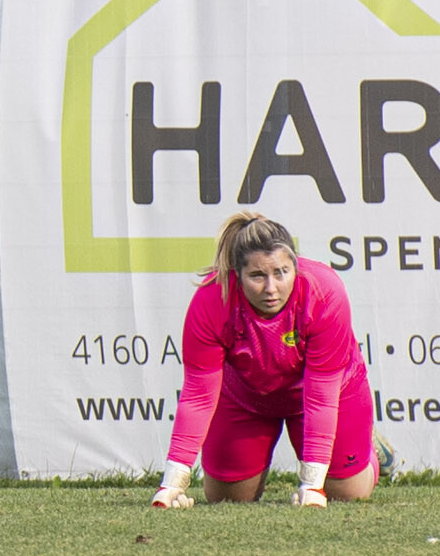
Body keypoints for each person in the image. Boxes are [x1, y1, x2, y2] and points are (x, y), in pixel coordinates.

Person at [152, 213, 379, 511]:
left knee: (348, 493)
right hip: (246, 397)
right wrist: (172, 484)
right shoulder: (211, 299)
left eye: (281, 272)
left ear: (295, 267)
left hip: (328, 393)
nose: (271, 287)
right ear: (237, 275)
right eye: (258, 276)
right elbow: (197, 397)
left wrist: (312, 486)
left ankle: (371, 454)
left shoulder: (324, 292)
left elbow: (321, 397)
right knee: (228, 499)